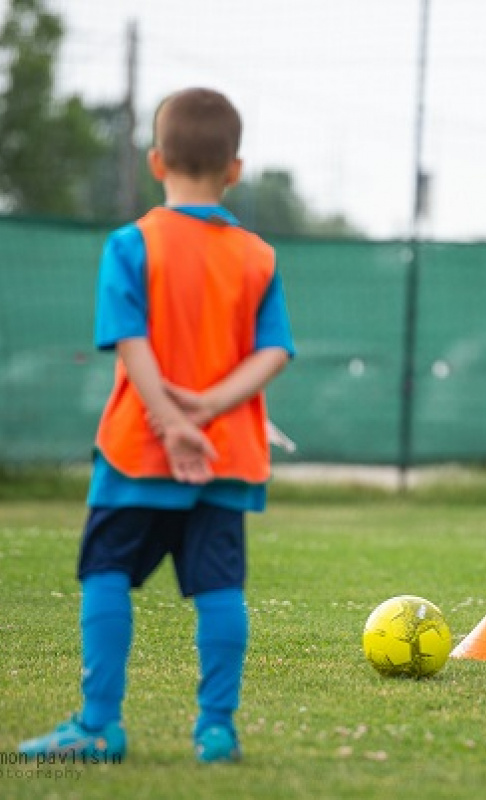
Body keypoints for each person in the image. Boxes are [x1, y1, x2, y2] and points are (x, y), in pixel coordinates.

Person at [19, 88, 294, 762]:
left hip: (139, 451)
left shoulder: (130, 244)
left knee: (107, 572)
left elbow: (131, 343)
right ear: (234, 169)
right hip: (225, 454)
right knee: (221, 588)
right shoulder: (258, 256)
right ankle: (216, 730)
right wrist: (207, 409)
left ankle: (98, 725)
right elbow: (274, 352)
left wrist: (172, 421)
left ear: (154, 160)